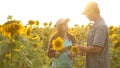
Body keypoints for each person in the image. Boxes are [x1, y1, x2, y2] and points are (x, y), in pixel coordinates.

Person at [76, 2, 110, 68]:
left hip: (98, 65)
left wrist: (79, 47)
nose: (86, 16)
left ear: (92, 10)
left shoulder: (100, 26)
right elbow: (94, 48)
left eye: (87, 13)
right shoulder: (96, 25)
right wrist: (84, 51)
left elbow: (97, 49)